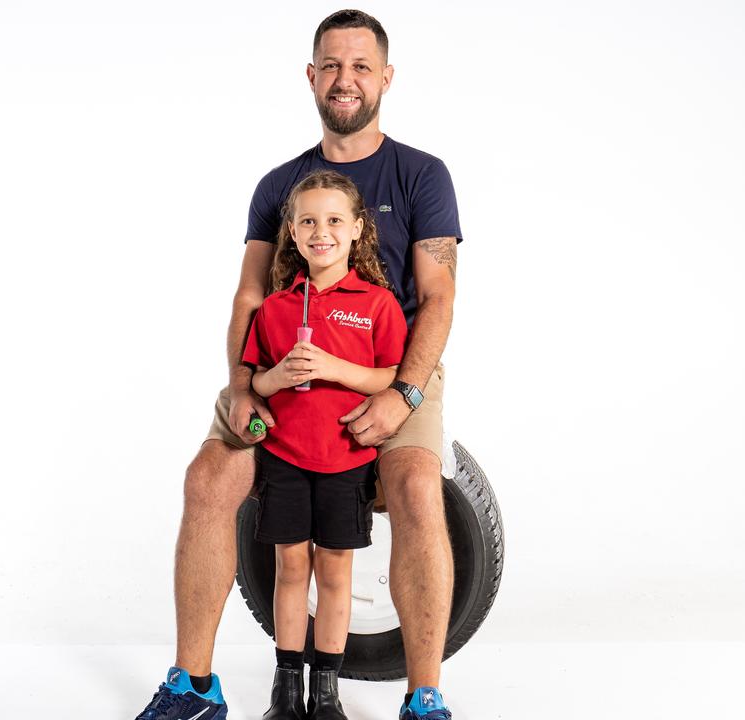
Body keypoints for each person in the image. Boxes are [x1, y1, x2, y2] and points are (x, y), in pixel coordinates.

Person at [135, 9, 460, 720]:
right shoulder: (279, 184)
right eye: (332, 66)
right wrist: (241, 387)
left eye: (361, 66)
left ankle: (424, 696)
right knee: (210, 475)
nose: (346, 80)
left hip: (391, 364)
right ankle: (193, 687)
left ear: (386, 78)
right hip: (283, 367)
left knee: (413, 487)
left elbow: (437, 297)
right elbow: (251, 294)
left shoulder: (421, 175)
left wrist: (402, 394)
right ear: (312, 77)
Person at [245, 170, 406, 720]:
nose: (322, 232)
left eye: (335, 220)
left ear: (358, 229)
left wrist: (336, 367)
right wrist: (278, 377)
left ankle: (327, 692)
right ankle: (286, 691)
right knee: (291, 571)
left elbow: (390, 378)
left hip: (346, 461)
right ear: (291, 232)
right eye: (309, 221)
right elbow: (257, 382)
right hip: (286, 459)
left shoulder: (378, 303)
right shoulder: (275, 308)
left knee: (335, 573)